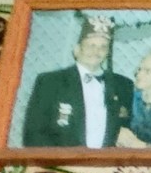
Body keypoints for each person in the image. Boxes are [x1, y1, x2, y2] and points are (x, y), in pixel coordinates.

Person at [20, 15, 134, 150]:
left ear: (107, 52)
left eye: (103, 47)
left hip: (106, 167)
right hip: (62, 167)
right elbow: (33, 135)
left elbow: (130, 128)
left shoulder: (123, 85)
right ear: (77, 49)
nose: (96, 51)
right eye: (90, 45)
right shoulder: (50, 82)